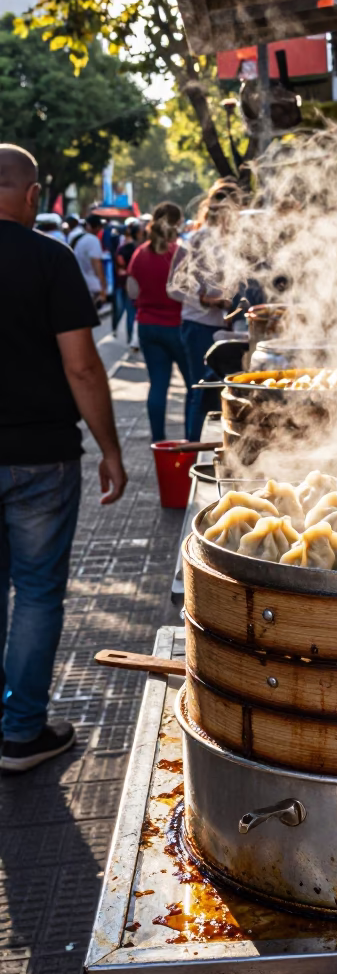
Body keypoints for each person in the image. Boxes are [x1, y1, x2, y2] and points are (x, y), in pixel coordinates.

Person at [0, 144, 127, 772]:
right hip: (41, 458)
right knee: (39, 595)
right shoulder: (50, 260)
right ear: (31, 196)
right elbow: (81, 365)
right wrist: (110, 448)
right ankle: (21, 734)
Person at [167, 181, 242, 441]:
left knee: (220, 392)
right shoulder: (196, 240)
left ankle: (212, 444)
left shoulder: (238, 242)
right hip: (198, 325)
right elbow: (172, 288)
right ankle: (193, 450)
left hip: (227, 328)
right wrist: (206, 299)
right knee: (200, 391)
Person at [128, 202, 192, 442]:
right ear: (176, 224)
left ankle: (158, 440)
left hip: (147, 325)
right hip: (176, 326)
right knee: (192, 387)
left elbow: (132, 292)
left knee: (157, 385)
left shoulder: (140, 253)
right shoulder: (180, 253)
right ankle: (190, 438)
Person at [113, 220, 142, 341]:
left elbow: (120, 267)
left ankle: (128, 337)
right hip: (134, 285)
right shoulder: (140, 249)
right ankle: (132, 340)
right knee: (132, 313)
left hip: (123, 284)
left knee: (125, 311)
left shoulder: (122, 249)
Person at [74, 213, 107, 308]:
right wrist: (103, 289)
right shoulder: (93, 240)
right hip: (91, 287)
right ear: (96, 227)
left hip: (77, 284)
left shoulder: (75, 237)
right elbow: (97, 265)